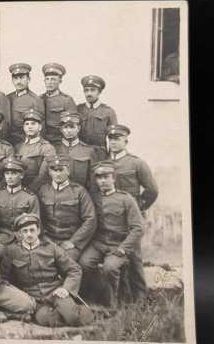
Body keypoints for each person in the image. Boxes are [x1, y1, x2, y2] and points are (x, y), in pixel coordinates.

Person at [1, 213, 94, 327]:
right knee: (48, 319)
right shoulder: (12, 251)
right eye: (25, 231)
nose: (29, 234)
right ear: (20, 233)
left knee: (72, 317)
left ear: (38, 231)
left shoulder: (51, 248)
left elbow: (74, 269)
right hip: (33, 298)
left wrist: (66, 289)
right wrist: (20, 296)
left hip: (56, 292)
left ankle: (81, 311)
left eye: (32, 230)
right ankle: (65, 312)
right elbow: (4, 278)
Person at [78, 161, 143, 307]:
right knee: (84, 263)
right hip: (98, 243)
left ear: (113, 178)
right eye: (99, 178)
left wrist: (123, 248)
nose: (103, 181)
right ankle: (94, 297)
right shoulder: (92, 198)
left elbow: (138, 228)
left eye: (106, 177)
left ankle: (113, 302)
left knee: (110, 268)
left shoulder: (126, 199)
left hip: (118, 244)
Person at [37, 154, 97, 262]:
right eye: (54, 170)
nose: (57, 174)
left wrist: (73, 241)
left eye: (61, 170)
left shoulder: (79, 191)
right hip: (48, 240)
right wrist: (44, 238)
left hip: (70, 242)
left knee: (65, 263)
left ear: (68, 171)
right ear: (50, 172)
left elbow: (90, 220)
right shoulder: (43, 190)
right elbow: (38, 218)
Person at [0, 157, 40, 262]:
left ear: (21, 175)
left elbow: (35, 223)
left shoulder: (30, 197)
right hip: (2, 236)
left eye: (13, 173)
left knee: (26, 259)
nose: (10, 177)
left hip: (23, 237)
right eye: (7, 173)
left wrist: (26, 238)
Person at [106, 124, 158, 212]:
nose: (113, 142)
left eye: (117, 139)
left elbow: (152, 190)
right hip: (109, 213)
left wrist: (139, 206)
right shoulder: (104, 163)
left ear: (126, 141)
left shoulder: (137, 163)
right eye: (110, 139)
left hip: (129, 212)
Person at [53, 111, 104, 189]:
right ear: (61, 129)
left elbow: (93, 181)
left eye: (72, 127)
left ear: (78, 128)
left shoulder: (89, 151)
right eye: (65, 127)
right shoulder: (53, 149)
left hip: (81, 194)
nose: (69, 131)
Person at [14, 110, 56, 192]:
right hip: (17, 190)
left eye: (33, 124)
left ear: (40, 127)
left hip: (38, 190)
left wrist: (27, 190)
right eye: (27, 124)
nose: (30, 127)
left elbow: (43, 176)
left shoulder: (47, 148)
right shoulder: (17, 147)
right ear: (23, 127)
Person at [7, 62, 45, 146]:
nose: (19, 81)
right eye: (16, 78)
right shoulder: (7, 98)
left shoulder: (35, 100)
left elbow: (41, 126)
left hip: (24, 142)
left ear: (28, 79)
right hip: (7, 141)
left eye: (22, 78)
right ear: (12, 80)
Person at [76, 75, 117, 149]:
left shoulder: (108, 111)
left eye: (92, 90)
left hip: (99, 152)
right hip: (80, 152)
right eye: (86, 90)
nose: (89, 93)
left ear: (99, 92)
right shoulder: (78, 109)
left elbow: (113, 137)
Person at [41, 63, 77, 144]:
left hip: (59, 141)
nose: (49, 82)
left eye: (53, 79)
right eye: (47, 79)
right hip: (42, 142)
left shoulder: (67, 100)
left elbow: (72, 125)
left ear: (60, 81)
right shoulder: (39, 99)